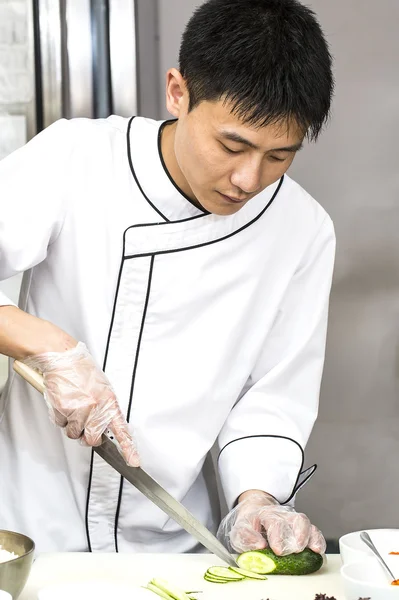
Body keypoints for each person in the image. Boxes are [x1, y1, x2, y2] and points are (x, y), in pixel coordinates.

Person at [0, 0, 335, 556]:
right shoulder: (76, 158)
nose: (248, 179)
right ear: (177, 92)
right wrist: (46, 345)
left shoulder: (301, 229)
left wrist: (257, 500)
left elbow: (272, 397)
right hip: (31, 531)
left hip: (173, 543)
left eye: (280, 156)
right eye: (232, 145)